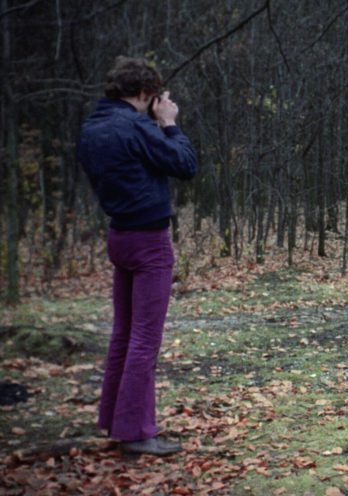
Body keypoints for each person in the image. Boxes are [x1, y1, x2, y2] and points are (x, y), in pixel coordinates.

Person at [77, 56, 198, 456]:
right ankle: (135, 433)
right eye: (153, 96)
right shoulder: (136, 126)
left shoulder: (92, 127)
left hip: (119, 235)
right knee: (144, 338)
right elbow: (185, 164)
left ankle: (114, 420)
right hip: (148, 240)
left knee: (124, 334)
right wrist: (169, 124)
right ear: (146, 93)